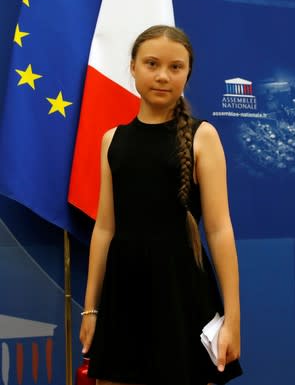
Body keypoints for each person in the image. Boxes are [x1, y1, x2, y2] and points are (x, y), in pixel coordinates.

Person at [80, 25, 243, 385]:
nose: (162, 76)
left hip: (181, 292)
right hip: (123, 294)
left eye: (175, 67)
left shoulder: (203, 137)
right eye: (151, 63)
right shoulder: (112, 140)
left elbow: (219, 230)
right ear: (133, 67)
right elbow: (105, 228)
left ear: (187, 73)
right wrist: (91, 310)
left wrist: (233, 320)